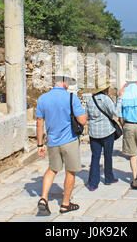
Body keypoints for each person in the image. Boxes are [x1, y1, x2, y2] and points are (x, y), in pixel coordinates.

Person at [36, 76, 87, 216]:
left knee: (52, 169)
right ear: (64, 81)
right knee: (70, 171)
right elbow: (82, 121)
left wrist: (40, 144)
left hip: (52, 141)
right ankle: (65, 204)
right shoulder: (71, 98)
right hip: (69, 140)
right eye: (69, 82)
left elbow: (39, 122)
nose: (69, 85)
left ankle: (43, 199)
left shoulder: (42, 98)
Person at [85, 83, 123, 191]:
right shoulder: (106, 99)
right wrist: (119, 99)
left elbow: (87, 115)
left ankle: (93, 183)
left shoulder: (90, 99)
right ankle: (109, 178)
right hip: (107, 131)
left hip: (94, 132)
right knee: (108, 156)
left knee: (95, 157)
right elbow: (116, 112)